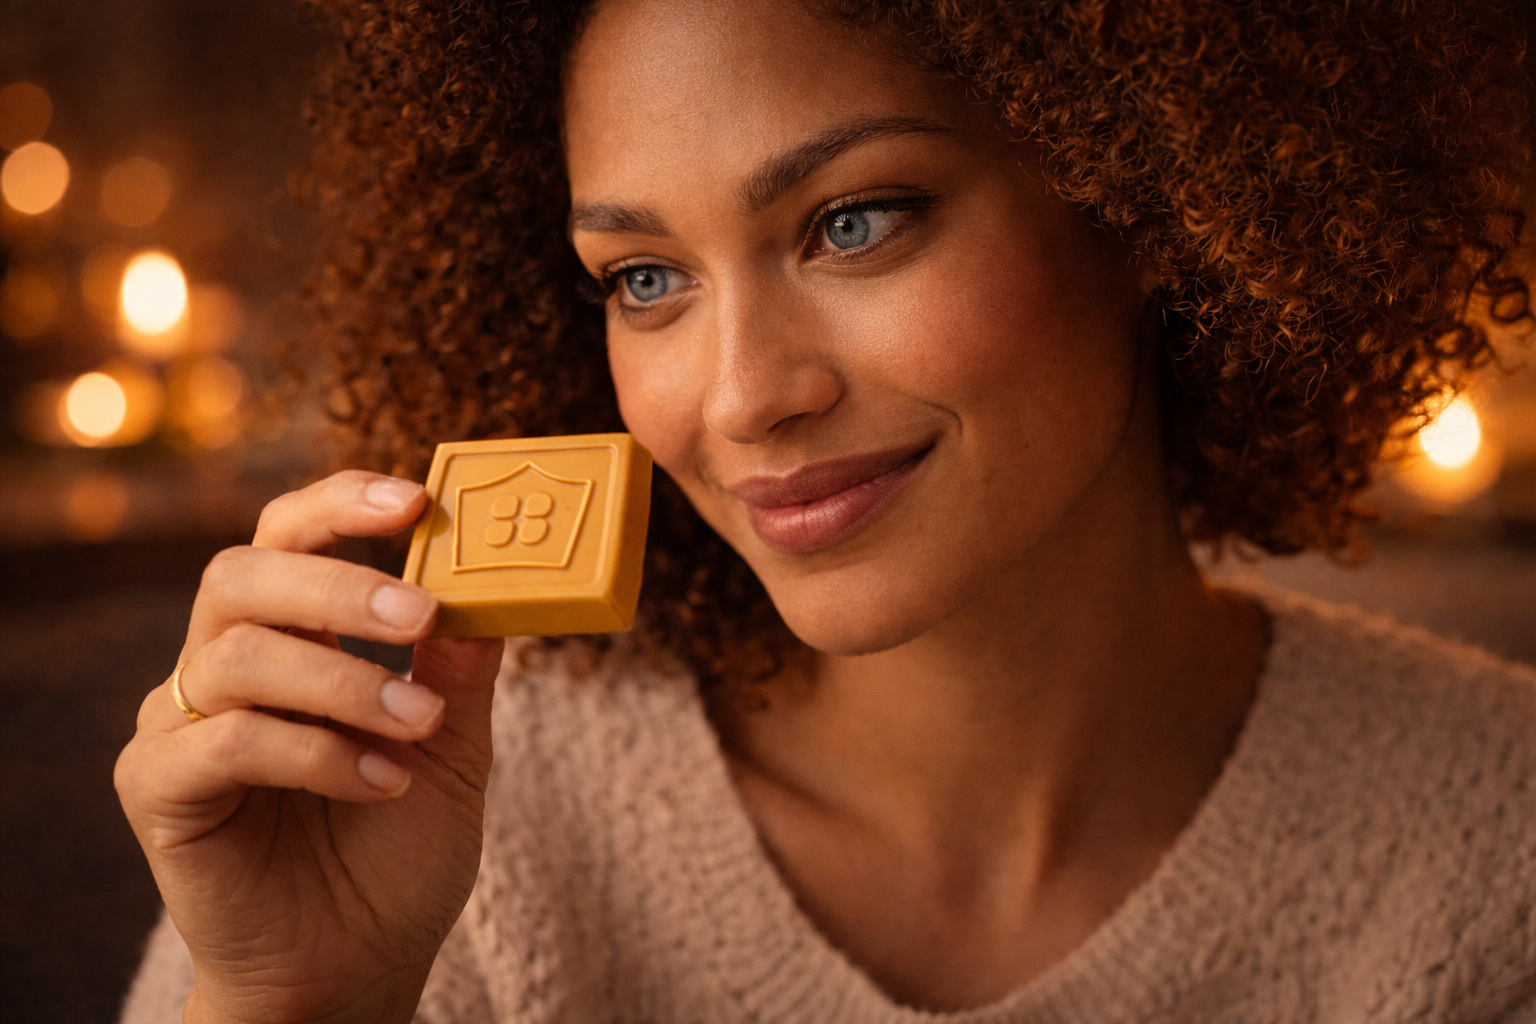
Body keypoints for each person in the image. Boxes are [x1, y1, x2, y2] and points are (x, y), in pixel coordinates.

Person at [117, 0, 1535, 1020]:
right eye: (643, 279)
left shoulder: (1495, 848)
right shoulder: (438, 820)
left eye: (854, 220)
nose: (738, 399)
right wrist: (298, 1002)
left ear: (1161, 195)